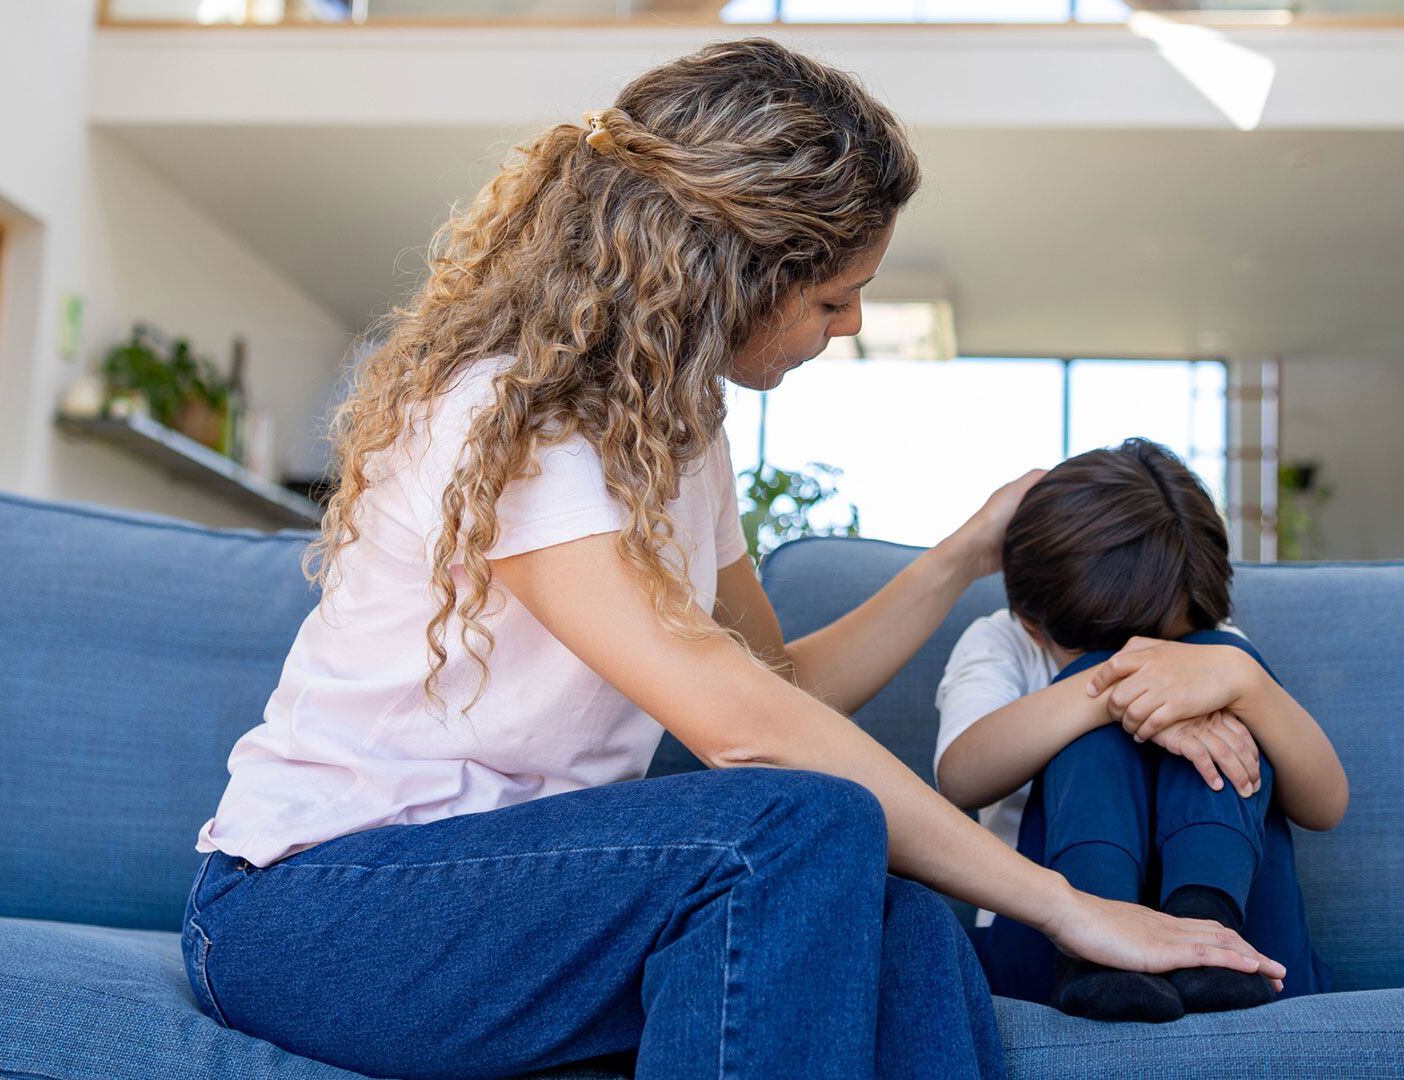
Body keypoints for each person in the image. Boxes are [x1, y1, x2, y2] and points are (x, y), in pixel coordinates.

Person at [179, 40, 1284, 1080]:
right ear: (724, 275)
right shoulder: (509, 417)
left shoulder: (681, 432)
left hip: (529, 903)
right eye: (830, 299)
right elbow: (738, 725)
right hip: (314, 913)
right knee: (804, 827)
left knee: (893, 912)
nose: (846, 327)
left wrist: (961, 555)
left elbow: (773, 684)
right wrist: (1063, 903)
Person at [935, 438, 1348, 1023]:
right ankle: (1099, 948)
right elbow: (960, 776)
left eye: (1162, 644)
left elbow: (1326, 805)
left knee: (1221, 660)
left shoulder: (1214, 645)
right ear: (1033, 622)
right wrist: (1110, 691)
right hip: (1058, 955)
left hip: (1242, 956)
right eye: (1119, 648)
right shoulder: (1004, 639)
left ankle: (1206, 918)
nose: (1149, 659)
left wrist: (1239, 679)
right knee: (1088, 706)